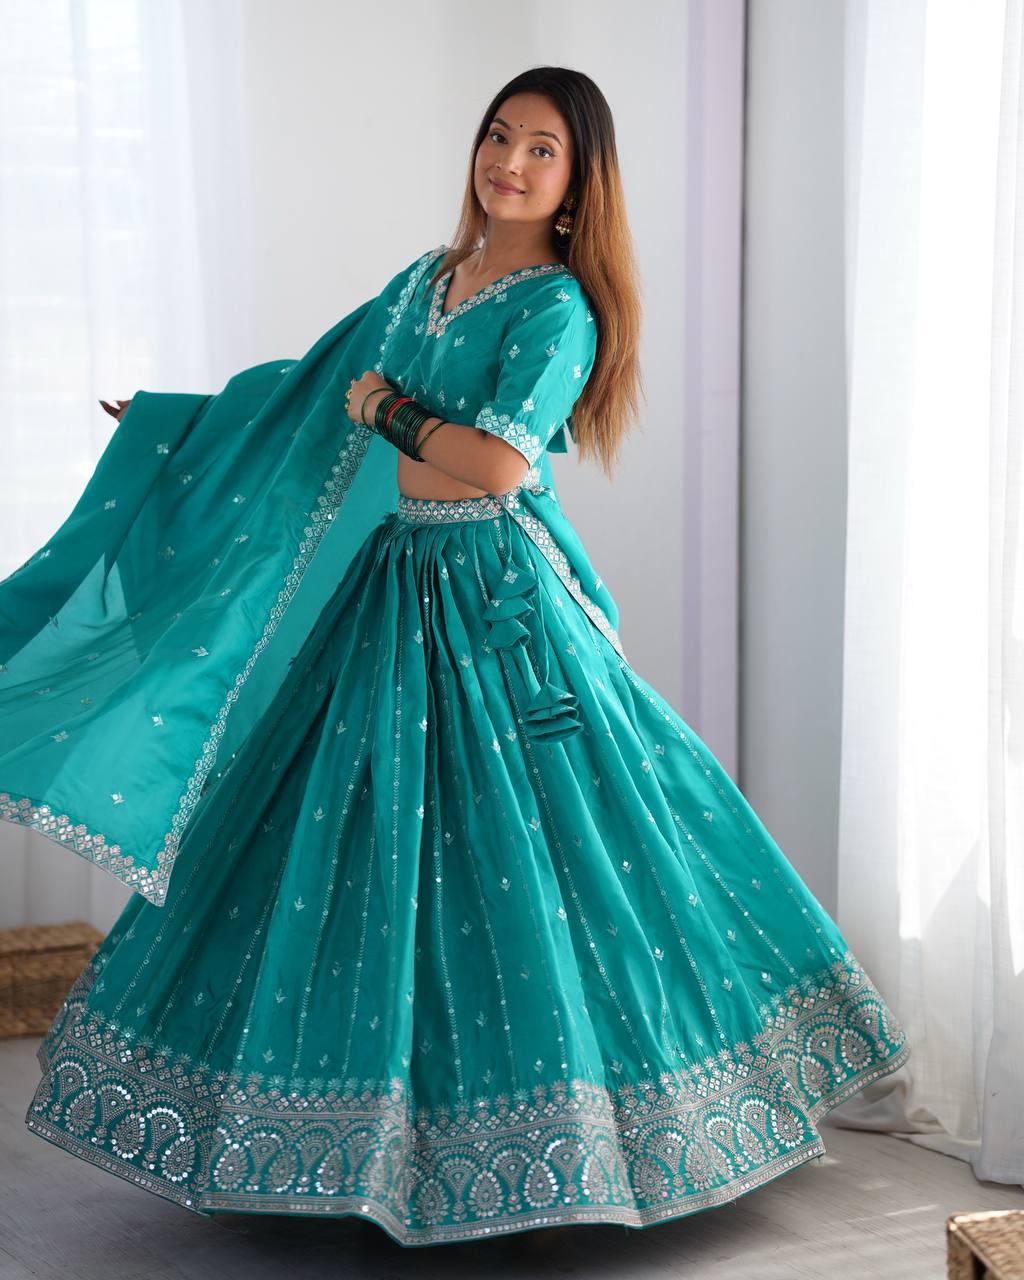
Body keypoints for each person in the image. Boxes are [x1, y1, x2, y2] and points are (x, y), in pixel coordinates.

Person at [0, 66, 910, 1248]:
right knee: (349, 841)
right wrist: (188, 429)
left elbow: (497, 465)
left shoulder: (558, 311)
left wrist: (388, 411)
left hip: (495, 600)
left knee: (548, 844)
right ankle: (354, 1137)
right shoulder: (423, 281)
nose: (509, 163)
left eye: (542, 150)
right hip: (394, 582)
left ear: (578, 183)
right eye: (499, 136)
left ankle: (586, 1132)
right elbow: (310, 392)